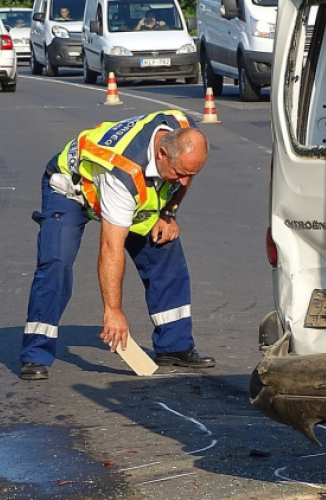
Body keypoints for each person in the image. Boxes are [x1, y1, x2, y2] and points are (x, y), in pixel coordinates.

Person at [20, 110, 216, 380]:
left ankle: (175, 346)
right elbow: (111, 247)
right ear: (161, 153)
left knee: (165, 249)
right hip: (72, 190)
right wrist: (113, 311)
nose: (184, 181)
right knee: (57, 262)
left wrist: (169, 212)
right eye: (179, 173)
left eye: (191, 173)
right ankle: (35, 353)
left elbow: (186, 173)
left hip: (135, 188)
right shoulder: (121, 174)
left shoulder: (183, 131)